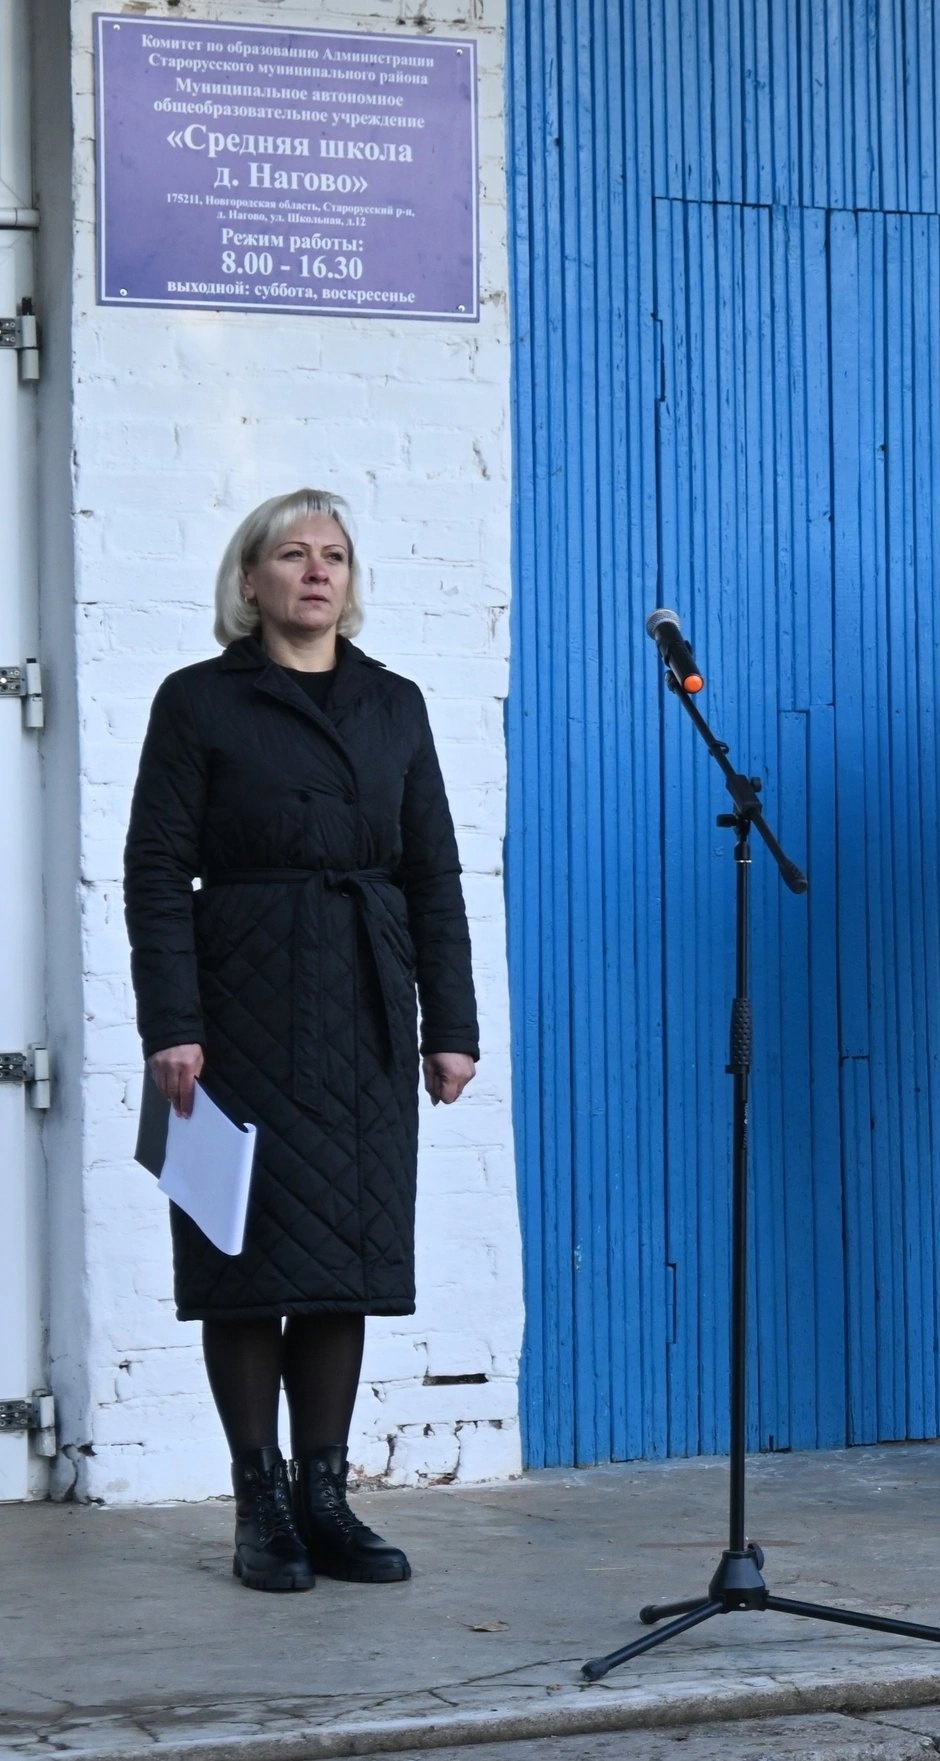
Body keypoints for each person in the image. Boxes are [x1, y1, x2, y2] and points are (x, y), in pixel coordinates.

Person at [125, 488, 478, 1592]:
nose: (316, 573)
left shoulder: (396, 704)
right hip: (240, 1006)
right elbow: (154, 874)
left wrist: (450, 1026)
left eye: (334, 556)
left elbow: (434, 873)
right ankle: (259, 1502)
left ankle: (327, 1500)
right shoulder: (197, 703)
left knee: (342, 1262)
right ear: (251, 582)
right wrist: (173, 1024)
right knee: (241, 1263)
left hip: (366, 1006)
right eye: (293, 555)